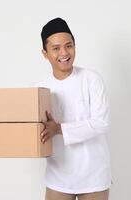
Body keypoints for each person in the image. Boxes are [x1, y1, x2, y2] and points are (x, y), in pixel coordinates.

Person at [34, 17, 111, 200]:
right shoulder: (39, 89)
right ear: (45, 53)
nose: (64, 53)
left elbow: (102, 123)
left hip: (93, 175)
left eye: (69, 45)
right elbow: (28, 127)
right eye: (56, 48)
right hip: (58, 176)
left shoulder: (92, 79)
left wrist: (59, 129)